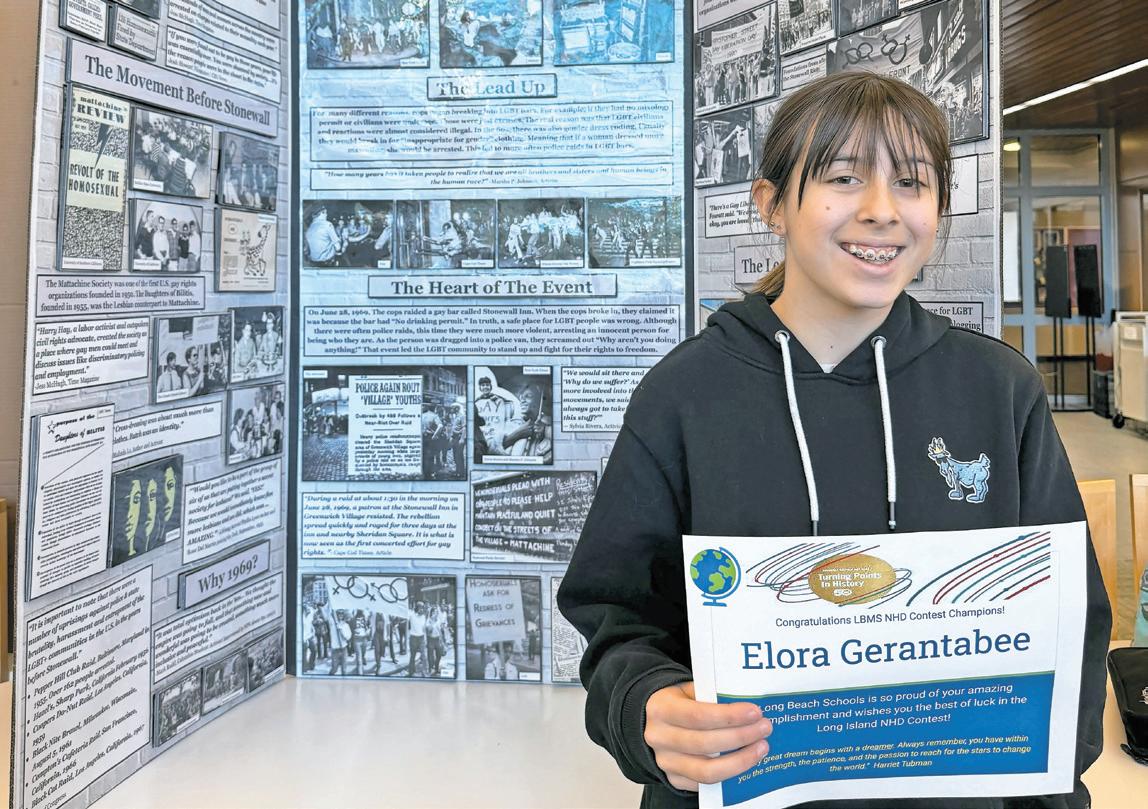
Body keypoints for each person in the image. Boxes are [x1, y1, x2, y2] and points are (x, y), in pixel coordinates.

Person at [557, 72, 1109, 808]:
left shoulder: (999, 390)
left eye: (912, 182)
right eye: (844, 178)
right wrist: (646, 706)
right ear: (771, 205)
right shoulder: (683, 395)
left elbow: (1069, 630)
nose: (882, 210)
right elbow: (616, 618)